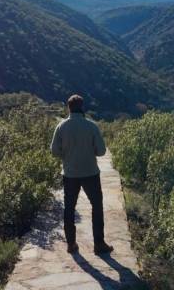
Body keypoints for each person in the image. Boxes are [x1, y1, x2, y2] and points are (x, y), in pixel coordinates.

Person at [50, 94, 114, 255]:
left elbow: (54, 151)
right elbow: (101, 151)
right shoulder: (92, 126)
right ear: (82, 106)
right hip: (90, 173)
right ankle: (99, 244)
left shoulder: (61, 126)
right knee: (97, 207)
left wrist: (67, 153)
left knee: (69, 208)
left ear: (68, 107)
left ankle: (71, 244)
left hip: (70, 174)